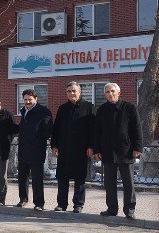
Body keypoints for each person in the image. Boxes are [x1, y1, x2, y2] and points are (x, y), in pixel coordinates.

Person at [94, 83, 142, 220]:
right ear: (105, 95)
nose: (110, 94)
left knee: (128, 183)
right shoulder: (102, 110)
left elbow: (137, 129)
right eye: (107, 92)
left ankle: (130, 210)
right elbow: (97, 131)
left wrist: (138, 147)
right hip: (107, 152)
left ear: (118, 93)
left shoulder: (130, 107)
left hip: (125, 151)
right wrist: (97, 149)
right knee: (109, 183)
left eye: (113, 91)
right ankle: (111, 209)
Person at [50, 82, 95, 213]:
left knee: (79, 178)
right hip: (64, 149)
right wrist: (54, 145)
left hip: (81, 150)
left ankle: (78, 204)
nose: (71, 93)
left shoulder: (89, 107)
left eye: (73, 91)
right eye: (68, 91)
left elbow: (93, 129)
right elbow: (56, 128)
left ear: (79, 92)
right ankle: (62, 204)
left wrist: (91, 146)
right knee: (62, 177)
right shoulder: (62, 108)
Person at [16, 89, 53, 211]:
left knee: (37, 179)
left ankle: (39, 203)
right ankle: (23, 199)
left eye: (30, 99)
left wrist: (37, 142)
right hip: (23, 150)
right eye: (25, 99)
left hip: (36, 151)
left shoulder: (44, 112)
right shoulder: (24, 111)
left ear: (36, 99)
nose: (27, 102)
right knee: (22, 177)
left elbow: (47, 131)